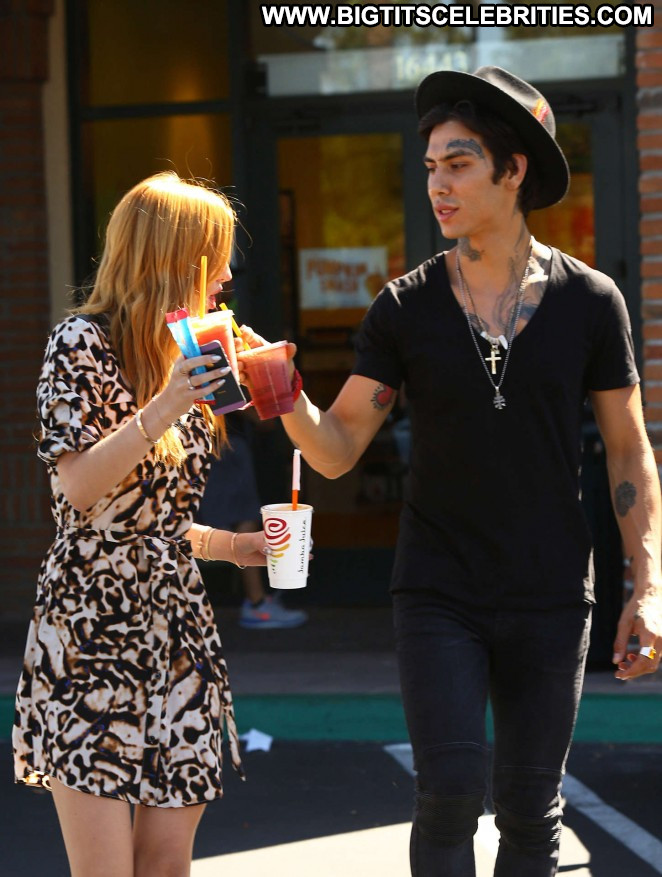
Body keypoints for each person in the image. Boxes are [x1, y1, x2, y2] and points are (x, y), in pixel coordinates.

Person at [237, 67, 662, 876]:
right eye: (431, 165)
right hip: (440, 588)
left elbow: (628, 450)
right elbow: (337, 446)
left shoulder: (590, 301)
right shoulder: (405, 307)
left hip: (549, 589)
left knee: (531, 810)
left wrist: (649, 585)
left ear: (514, 170)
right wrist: (281, 390)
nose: (437, 183)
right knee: (450, 792)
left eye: (459, 164)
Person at [12, 172, 272, 877]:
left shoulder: (183, 354)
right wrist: (165, 404)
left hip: (178, 632)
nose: (226, 275)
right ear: (174, 257)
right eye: (216, 257)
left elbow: (153, 523)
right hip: (88, 632)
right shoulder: (80, 342)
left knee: (164, 864)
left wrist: (234, 546)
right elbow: (79, 492)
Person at [196, 410, 308, 629]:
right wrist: (260, 412)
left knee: (237, 516)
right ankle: (257, 603)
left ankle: (256, 602)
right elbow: (252, 413)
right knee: (245, 515)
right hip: (223, 443)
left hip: (215, 442)